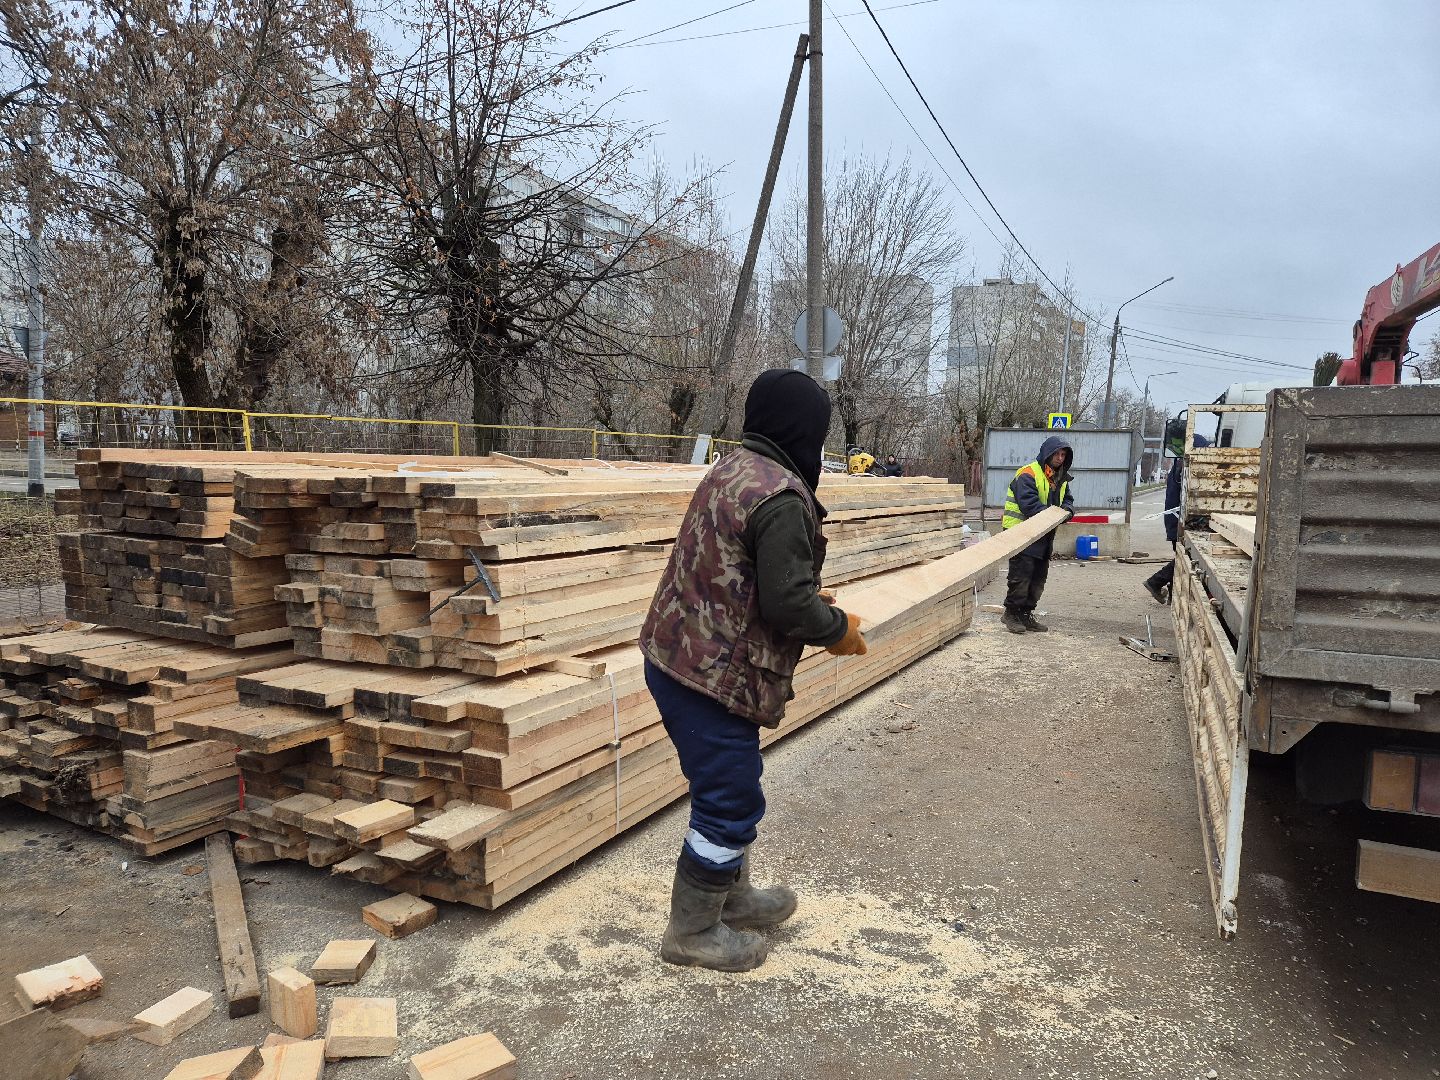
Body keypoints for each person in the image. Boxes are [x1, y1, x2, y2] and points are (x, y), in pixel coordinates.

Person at [639, 369, 868, 972]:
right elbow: (788, 602)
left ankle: (730, 898)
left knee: (728, 785)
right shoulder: (782, 497)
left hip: (680, 655)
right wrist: (836, 629)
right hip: (709, 674)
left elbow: (746, 571)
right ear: (805, 432)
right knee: (730, 798)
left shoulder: (733, 467)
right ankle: (691, 932)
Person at [1000, 434, 1074, 634]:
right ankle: (1011, 613)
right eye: (1057, 454)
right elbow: (1029, 505)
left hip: (1043, 535)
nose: (1060, 458)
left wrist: (1067, 511)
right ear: (1047, 453)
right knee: (1021, 577)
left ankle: (1026, 613)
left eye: (1063, 454)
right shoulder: (1028, 473)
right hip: (1021, 534)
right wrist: (1056, 515)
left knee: (1038, 578)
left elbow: (1068, 500)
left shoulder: (1061, 479)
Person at [1144, 435, 1210, 604]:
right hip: (1178, 522)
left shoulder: (1179, 466)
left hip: (1175, 521)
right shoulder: (1184, 470)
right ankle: (1155, 581)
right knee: (1184, 559)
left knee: (1181, 560)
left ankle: (1173, 597)